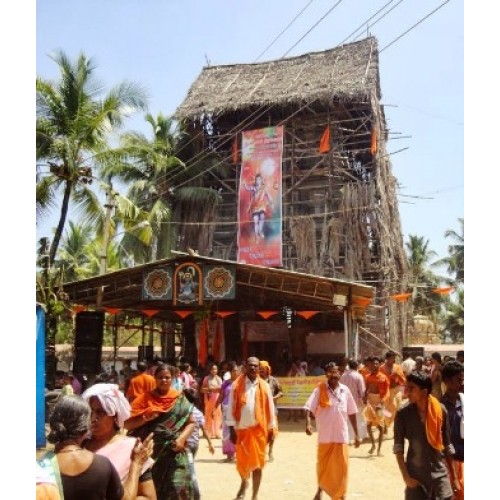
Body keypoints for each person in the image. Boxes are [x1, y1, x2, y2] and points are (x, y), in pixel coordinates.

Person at [125, 364, 196, 499]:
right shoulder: (144, 399)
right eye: (160, 377)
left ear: (173, 378)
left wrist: (181, 439)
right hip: (150, 454)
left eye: (167, 377)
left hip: (173, 452)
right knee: (153, 490)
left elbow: (191, 422)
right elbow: (127, 425)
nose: (164, 380)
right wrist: (145, 418)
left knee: (176, 487)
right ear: (155, 379)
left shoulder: (180, 398)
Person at [38, 395, 124, 500]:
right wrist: (135, 465)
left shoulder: (42, 467)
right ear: (85, 427)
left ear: (53, 424)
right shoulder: (103, 465)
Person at [81, 383, 156, 500]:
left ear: (115, 417)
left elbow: (149, 497)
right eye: (90, 412)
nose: (93, 418)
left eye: (100, 412)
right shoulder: (80, 444)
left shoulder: (132, 449)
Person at [394, 371, 460, 499]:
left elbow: (447, 444)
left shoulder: (440, 410)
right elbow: (398, 447)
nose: (407, 392)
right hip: (416, 477)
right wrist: (406, 478)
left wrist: (455, 477)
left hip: (440, 475)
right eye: (407, 388)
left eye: (412, 389)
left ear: (424, 392)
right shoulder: (403, 413)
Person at [304, 361, 360, 500]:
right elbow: (309, 408)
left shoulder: (345, 390)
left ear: (340, 374)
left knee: (342, 467)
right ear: (326, 374)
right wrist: (308, 424)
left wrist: (356, 434)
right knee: (323, 467)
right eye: (330, 372)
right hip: (325, 436)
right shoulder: (319, 389)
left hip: (341, 435)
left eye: (336, 372)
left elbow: (352, 412)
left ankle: (340, 494)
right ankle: (320, 489)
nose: (333, 375)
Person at [226, 356, 275, 500]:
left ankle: (254, 495)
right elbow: (231, 406)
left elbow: (270, 408)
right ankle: (244, 482)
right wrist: (231, 429)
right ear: (245, 367)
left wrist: (271, 428)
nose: (253, 367)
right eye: (250, 365)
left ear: (259, 368)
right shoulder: (236, 385)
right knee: (242, 464)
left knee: (258, 465)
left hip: (259, 432)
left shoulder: (264, 386)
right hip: (241, 431)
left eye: (255, 365)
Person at [183, 388, 215, 500]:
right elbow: (204, 430)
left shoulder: (183, 412)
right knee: (189, 465)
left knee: (189, 468)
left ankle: (195, 493)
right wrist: (210, 443)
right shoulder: (198, 412)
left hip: (186, 444)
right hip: (194, 444)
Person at [441, 361, 464, 500]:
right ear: (447, 381)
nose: (462, 383)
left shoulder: (464, 401)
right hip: (450, 462)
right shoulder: (440, 407)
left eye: (463, 380)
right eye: (459, 380)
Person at [362, 355, 390, 456]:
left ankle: (379, 449)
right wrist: (365, 397)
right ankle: (373, 445)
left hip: (379, 402)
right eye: (373, 364)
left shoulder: (384, 377)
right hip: (370, 401)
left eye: (376, 364)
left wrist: (382, 401)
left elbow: (387, 392)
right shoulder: (367, 377)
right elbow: (366, 389)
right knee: (368, 425)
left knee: (380, 426)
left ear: (379, 365)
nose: (374, 365)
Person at [214, 361, 240, 462]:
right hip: (226, 409)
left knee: (237, 431)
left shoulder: (241, 383)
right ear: (230, 372)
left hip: (237, 410)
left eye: (237, 371)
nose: (236, 373)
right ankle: (229, 454)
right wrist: (215, 408)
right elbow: (221, 396)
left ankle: (238, 453)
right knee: (226, 432)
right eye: (234, 371)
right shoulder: (225, 383)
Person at [258, 360, 283, 462]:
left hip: (272, 411)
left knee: (272, 433)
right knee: (260, 433)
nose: (261, 371)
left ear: (267, 369)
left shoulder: (273, 380)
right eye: (260, 369)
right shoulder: (256, 381)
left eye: (263, 369)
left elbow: (281, 392)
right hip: (259, 412)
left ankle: (270, 452)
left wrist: (273, 398)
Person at [340, 359, 368, 443]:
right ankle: (360, 436)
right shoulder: (358, 376)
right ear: (357, 366)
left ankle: (347, 438)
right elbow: (362, 391)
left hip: (345, 400)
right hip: (356, 401)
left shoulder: (343, 375)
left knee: (347, 420)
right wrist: (364, 399)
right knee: (359, 419)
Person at [380, 350, 406, 435]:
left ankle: (395, 426)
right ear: (387, 358)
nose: (393, 359)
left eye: (394, 358)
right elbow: (379, 380)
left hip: (396, 390)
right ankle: (385, 423)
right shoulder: (381, 368)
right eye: (392, 358)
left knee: (396, 407)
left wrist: (397, 375)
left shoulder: (397, 367)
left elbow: (403, 380)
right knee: (386, 409)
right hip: (387, 390)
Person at [244, 173, 274, 243]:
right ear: (255, 181)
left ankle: (260, 231)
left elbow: (269, 196)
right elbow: (248, 188)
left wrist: (271, 202)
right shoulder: (254, 188)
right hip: (254, 206)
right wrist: (244, 185)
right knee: (256, 221)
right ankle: (256, 237)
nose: (258, 181)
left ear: (261, 180)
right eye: (257, 180)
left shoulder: (264, 188)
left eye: (259, 179)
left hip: (261, 205)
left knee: (262, 217)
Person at [201, 362, 222, 439]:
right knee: (209, 415)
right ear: (210, 370)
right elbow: (202, 389)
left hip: (217, 400)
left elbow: (221, 390)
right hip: (209, 400)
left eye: (215, 369)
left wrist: (218, 389)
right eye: (213, 369)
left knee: (217, 415)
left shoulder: (219, 378)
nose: (214, 370)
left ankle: (217, 432)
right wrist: (210, 389)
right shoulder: (206, 378)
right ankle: (208, 432)